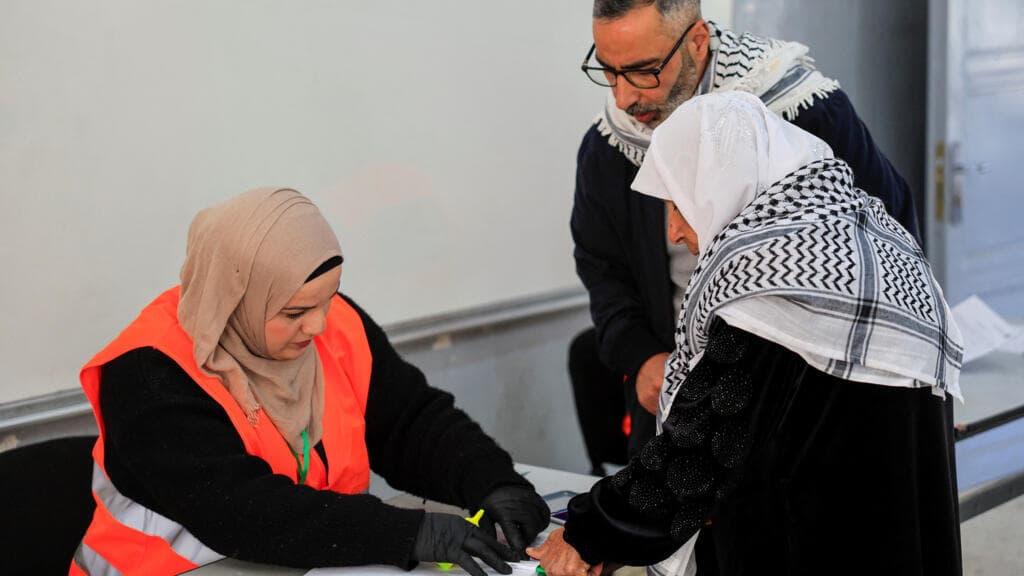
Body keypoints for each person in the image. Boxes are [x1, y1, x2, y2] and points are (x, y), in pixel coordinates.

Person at [531, 92, 963, 576]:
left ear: (721, 184)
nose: (672, 231)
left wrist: (589, 533)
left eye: (677, 204)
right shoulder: (880, 243)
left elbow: (694, 456)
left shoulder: (771, 285)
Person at [70, 188, 549, 576]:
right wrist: (409, 533)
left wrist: (492, 481)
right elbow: (236, 507)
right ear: (237, 298)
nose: (319, 326)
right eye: (294, 312)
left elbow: (410, 423)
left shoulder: (332, 324)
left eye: (329, 298)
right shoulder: (148, 370)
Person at [568, 0, 921, 477]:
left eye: (643, 71)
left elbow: (890, 239)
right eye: (608, 72)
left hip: (808, 409)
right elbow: (601, 267)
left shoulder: (799, 112)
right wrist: (643, 357)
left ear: (697, 42)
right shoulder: (612, 145)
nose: (625, 97)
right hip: (682, 401)